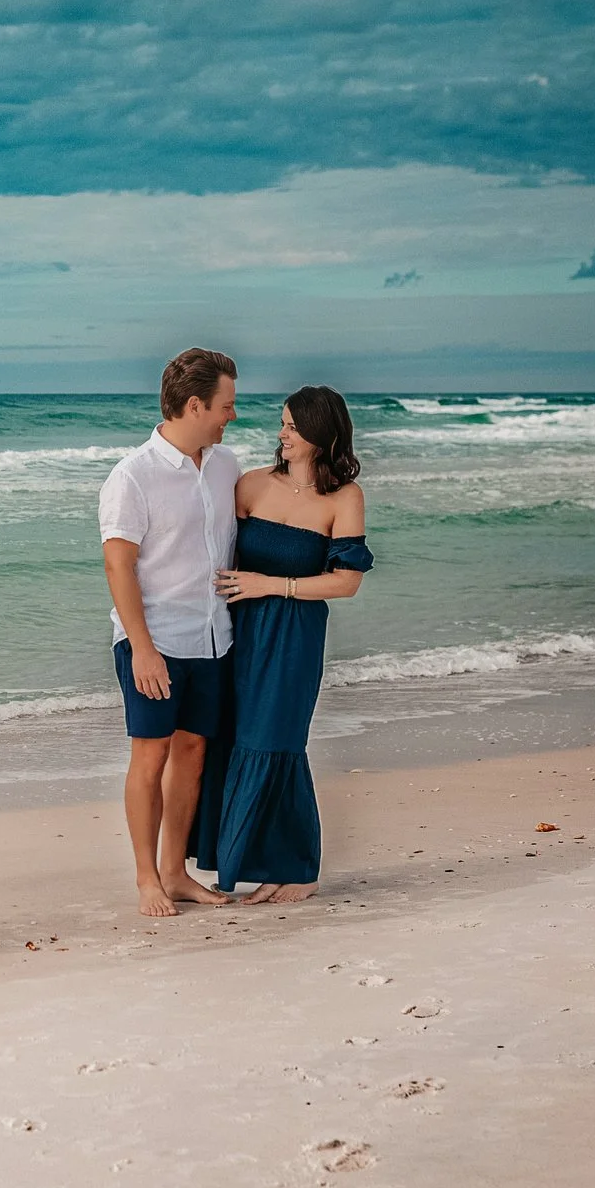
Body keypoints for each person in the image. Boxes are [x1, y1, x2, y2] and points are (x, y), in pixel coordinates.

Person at [198, 386, 371, 904]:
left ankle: (297, 869)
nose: (282, 434)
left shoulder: (345, 497)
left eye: (293, 427)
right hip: (237, 631)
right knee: (235, 738)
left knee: (277, 743)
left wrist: (272, 585)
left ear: (321, 433)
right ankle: (249, 862)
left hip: (294, 637)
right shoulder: (251, 485)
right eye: (283, 424)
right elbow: (202, 540)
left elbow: (346, 582)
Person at [100, 346, 242, 917]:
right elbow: (118, 565)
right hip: (153, 642)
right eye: (225, 405)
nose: (232, 414)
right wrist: (142, 650)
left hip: (213, 636)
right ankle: (144, 880)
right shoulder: (132, 476)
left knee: (192, 750)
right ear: (193, 404)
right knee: (151, 754)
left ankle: (174, 871)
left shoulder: (226, 465)